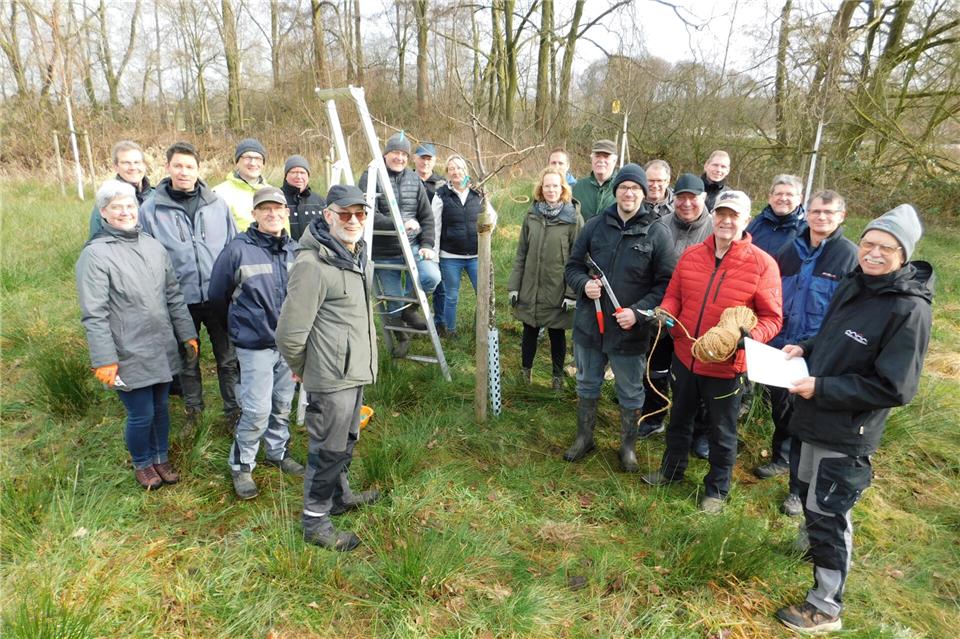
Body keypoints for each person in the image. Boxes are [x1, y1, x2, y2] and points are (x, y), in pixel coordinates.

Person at [775, 205, 933, 634]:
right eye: (868, 244)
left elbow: (895, 387)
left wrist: (822, 388)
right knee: (809, 494)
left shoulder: (908, 310)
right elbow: (834, 336)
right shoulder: (856, 283)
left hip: (846, 429)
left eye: (885, 247)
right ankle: (814, 547)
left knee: (831, 512)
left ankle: (825, 607)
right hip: (814, 414)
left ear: (903, 254)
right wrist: (804, 348)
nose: (874, 253)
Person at [642, 190, 783, 513]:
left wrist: (746, 338)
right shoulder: (692, 255)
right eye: (721, 214)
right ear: (713, 216)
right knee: (679, 419)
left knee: (722, 431)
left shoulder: (763, 265)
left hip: (726, 367)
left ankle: (717, 490)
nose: (726, 221)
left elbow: (773, 318)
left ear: (747, 220)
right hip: (684, 355)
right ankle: (671, 471)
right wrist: (666, 312)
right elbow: (674, 295)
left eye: (734, 215)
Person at [276, 184, 381, 552]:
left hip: (354, 371)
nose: (353, 221)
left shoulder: (355, 255)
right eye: (345, 214)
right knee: (327, 450)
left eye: (360, 214)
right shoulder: (312, 265)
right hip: (330, 377)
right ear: (328, 216)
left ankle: (339, 497)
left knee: (346, 441)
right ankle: (315, 521)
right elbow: (289, 334)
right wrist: (307, 370)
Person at [77, 180, 198, 490]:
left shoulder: (152, 246)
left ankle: (160, 458)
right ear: (103, 212)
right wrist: (104, 359)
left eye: (129, 206)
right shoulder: (96, 255)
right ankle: (142, 463)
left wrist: (187, 333)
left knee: (160, 407)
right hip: (125, 351)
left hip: (160, 345)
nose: (125, 212)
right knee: (141, 412)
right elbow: (95, 313)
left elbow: (173, 295)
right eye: (116, 207)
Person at [563, 163, 677, 471]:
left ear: (644, 193)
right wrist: (583, 284)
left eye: (635, 189)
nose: (629, 193)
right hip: (590, 325)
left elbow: (666, 284)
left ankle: (627, 448)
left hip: (630, 332)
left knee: (630, 391)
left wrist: (638, 313)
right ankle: (584, 438)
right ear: (616, 192)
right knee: (587, 383)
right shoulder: (595, 226)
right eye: (624, 188)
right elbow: (572, 267)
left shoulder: (657, 232)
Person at [753, 190, 858, 518]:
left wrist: (820, 346)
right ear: (806, 213)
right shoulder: (790, 250)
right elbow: (771, 294)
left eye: (829, 212)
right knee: (782, 409)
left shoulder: (848, 257)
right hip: (782, 345)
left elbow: (848, 314)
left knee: (806, 419)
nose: (821, 218)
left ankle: (798, 491)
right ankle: (780, 457)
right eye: (816, 211)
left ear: (841, 216)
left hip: (819, 353)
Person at [208, 187, 305, 500]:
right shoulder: (238, 249)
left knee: (281, 404)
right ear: (254, 214)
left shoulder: (295, 250)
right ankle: (241, 464)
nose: (272, 214)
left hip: (288, 347)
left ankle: (277, 452)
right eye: (265, 209)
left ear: (286, 213)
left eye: (277, 208)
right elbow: (217, 297)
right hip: (255, 346)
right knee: (257, 409)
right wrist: (240, 330)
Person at [139, 141, 240, 424]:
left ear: (198, 169)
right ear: (168, 167)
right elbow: (146, 256)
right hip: (179, 299)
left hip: (219, 296)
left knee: (228, 357)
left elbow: (234, 247)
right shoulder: (151, 210)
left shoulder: (217, 204)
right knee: (188, 357)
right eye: (178, 166)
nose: (184, 172)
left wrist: (233, 289)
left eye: (189, 166)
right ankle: (194, 412)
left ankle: (233, 410)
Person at [640, 173, 712, 440]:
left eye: (692, 197)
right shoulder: (661, 226)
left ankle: (696, 428)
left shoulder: (715, 229)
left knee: (693, 373)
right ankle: (653, 416)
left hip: (697, 318)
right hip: (662, 312)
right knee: (655, 366)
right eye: (681, 197)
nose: (686, 203)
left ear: (703, 198)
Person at [508, 167, 583, 389]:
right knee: (529, 330)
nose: (551, 190)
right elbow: (521, 253)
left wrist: (571, 293)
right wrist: (514, 286)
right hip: (531, 287)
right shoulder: (532, 215)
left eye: (555, 186)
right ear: (541, 189)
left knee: (556, 334)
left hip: (558, 289)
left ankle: (557, 377)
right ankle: (525, 373)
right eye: (547, 186)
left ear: (563, 189)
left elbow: (578, 259)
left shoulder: (573, 219)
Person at [358, 132, 440, 336]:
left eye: (404, 154)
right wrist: (399, 224)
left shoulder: (414, 179)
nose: (400, 158)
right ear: (386, 154)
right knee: (393, 299)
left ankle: (408, 311)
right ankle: (401, 336)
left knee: (431, 276)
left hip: (412, 245)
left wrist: (427, 245)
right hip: (384, 251)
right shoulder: (371, 177)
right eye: (395, 152)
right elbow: (366, 214)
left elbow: (427, 217)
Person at [432, 154, 486, 336]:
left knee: (483, 293)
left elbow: (491, 216)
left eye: (459, 167)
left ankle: (482, 329)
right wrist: (434, 254)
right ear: (447, 173)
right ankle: (451, 331)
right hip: (450, 257)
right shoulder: (441, 195)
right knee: (451, 296)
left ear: (466, 170)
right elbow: (435, 226)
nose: (456, 171)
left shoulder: (478, 192)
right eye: (451, 168)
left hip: (476, 256)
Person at [88, 141, 155, 239]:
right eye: (126, 163)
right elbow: (96, 241)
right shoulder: (107, 200)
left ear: (144, 165)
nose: (133, 167)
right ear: (115, 167)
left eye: (137, 162)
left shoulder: (157, 196)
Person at [415, 142, 447, 329]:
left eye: (429, 159)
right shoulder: (408, 179)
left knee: (439, 281)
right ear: (415, 158)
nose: (425, 162)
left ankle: (440, 320)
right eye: (422, 158)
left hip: (436, 237)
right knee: (415, 277)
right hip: (412, 236)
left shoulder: (441, 183)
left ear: (434, 161)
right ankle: (410, 313)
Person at [213, 138, 272, 231]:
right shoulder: (219, 193)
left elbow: (283, 230)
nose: (253, 163)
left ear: (263, 164)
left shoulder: (272, 192)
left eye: (258, 158)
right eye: (247, 158)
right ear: (237, 162)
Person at [746, 174, 806, 258]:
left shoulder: (807, 231)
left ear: (799, 199)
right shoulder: (755, 223)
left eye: (789, 194)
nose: (783, 198)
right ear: (770, 198)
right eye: (778, 194)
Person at [281, 155, 326, 241]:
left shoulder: (320, 201)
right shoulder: (277, 198)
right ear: (286, 176)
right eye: (293, 172)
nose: (298, 176)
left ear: (308, 176)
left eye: (302, 173)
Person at [572, 139, 618, 220]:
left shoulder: (622, 188)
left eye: (606, 156)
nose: (601, 160)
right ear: (592, 159)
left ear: (614, 160)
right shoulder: (577, 188)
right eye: (597, 156)